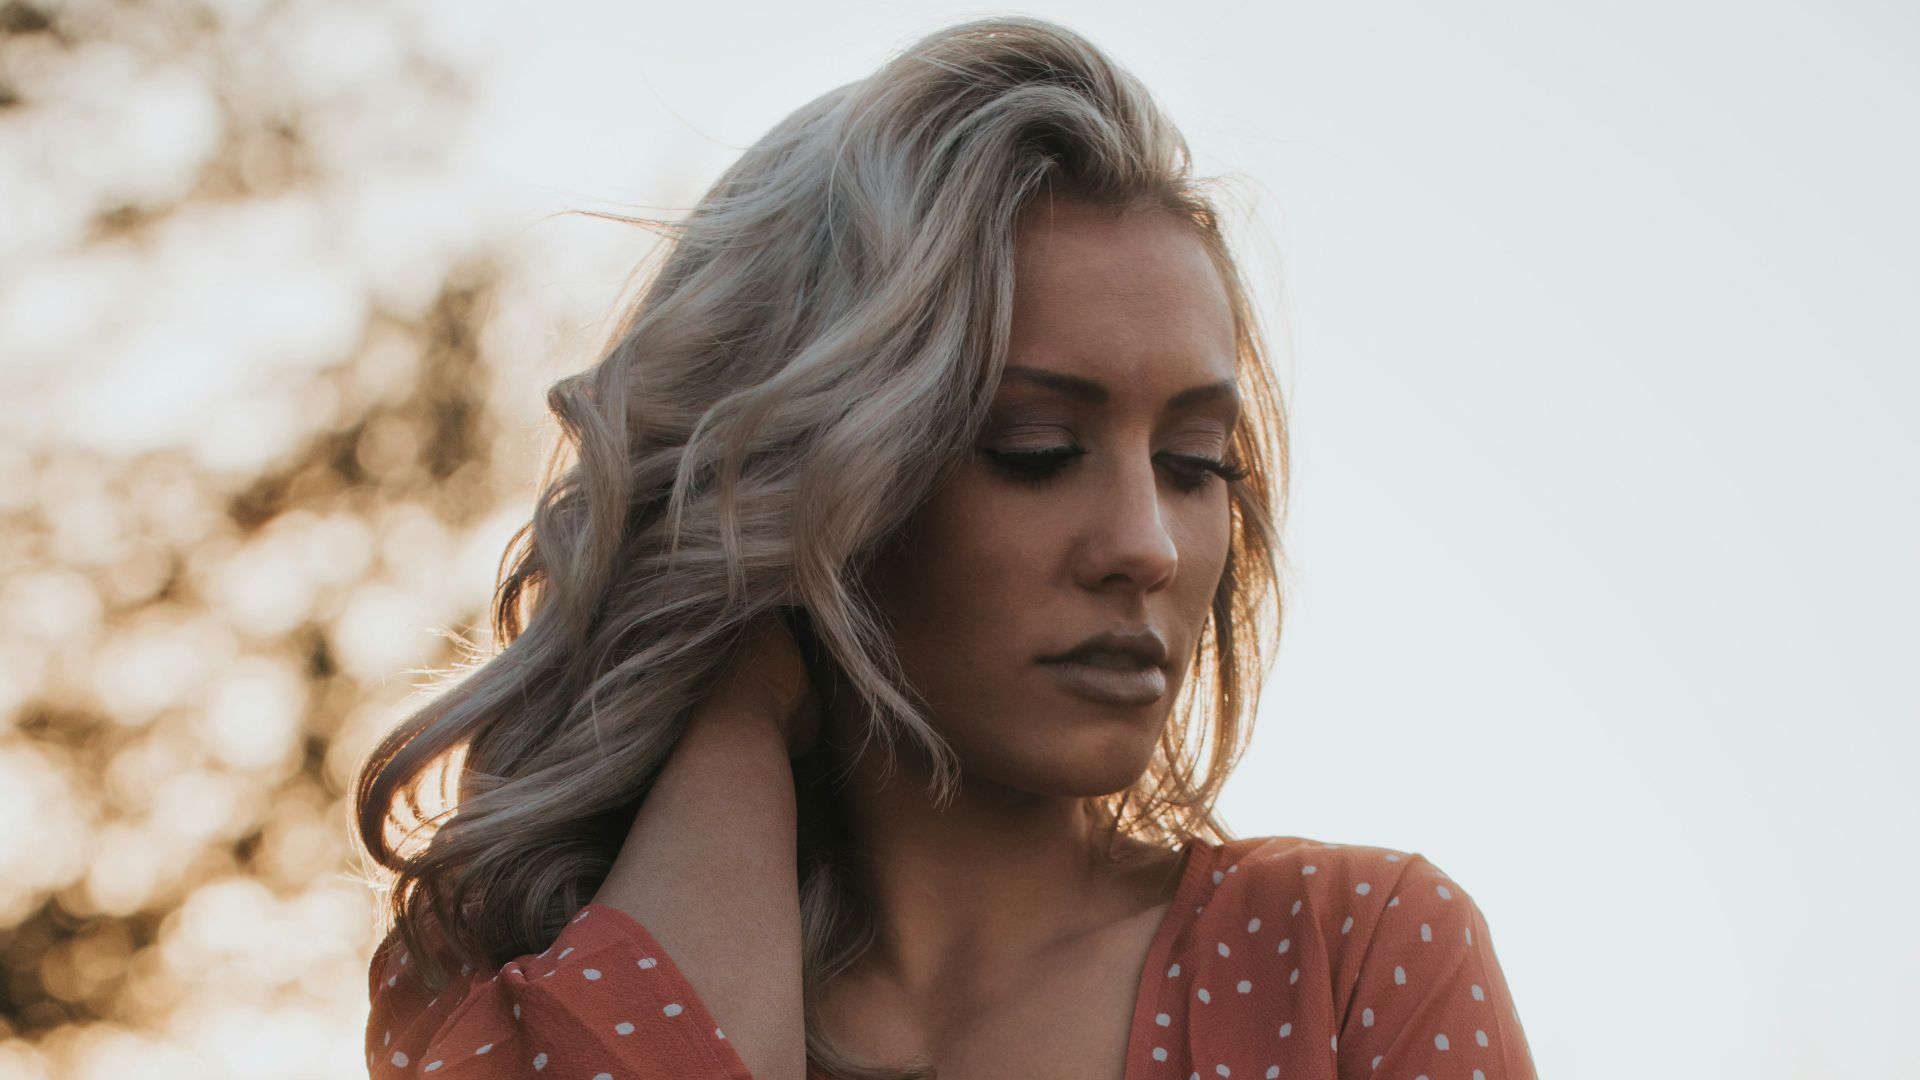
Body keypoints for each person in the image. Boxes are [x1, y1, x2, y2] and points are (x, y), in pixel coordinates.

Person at [354, 16, 1538, 1080]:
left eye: (1194, 465)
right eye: (1033, 448)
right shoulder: (512, 987)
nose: (1147, 547)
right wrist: (733, 710)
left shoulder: (1349, 959)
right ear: (825, 482)